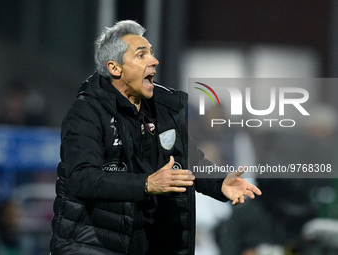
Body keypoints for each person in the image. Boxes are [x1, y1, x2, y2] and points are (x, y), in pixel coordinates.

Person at [50, 20, 261, 255]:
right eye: (141, 55)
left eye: (151, 53)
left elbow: (192, 163)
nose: (154, 61)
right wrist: (147, 184)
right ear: (115, 68)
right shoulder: (86, 113)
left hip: (147, 245)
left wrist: (220, 183)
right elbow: (83, 178)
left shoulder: (163, 112)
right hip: (91, 246)